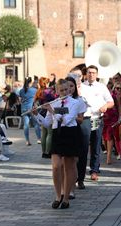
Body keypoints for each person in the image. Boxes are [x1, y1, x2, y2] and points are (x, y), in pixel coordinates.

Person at [34, 79, 85, 209]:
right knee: (56, 167)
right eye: (61, 90)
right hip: (57, 134)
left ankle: (66, 197)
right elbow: (47, 123)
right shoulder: (55, 102)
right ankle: (58, 196)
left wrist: (52, 111)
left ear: (69, 89)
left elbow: (66, 121)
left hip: (69, 133)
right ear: (57, 91)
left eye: (66, 90)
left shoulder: (75, 103)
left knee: (68, 167)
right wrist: (37, 115)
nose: (64, 92)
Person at [77, 65, 114, 184]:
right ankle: (80, 173)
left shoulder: (102, 87)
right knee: (83, 146)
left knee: (96, 144)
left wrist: (105, 106)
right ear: (86, 74)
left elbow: (111, 102)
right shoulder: (81, 86)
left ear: (97, 74)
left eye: (93, 73)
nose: (91, 74)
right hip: (85, 119)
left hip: (97, 118)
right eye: (89, 72)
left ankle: (94, 170)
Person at [34, 77, 56, 158]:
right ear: (45, 83)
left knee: (44, 133)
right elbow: (54, 100)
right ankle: (47, 152)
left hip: (40, 112)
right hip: (47, 112)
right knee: (49, 133)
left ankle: (43, 152)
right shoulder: (48, 91)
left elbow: (35, 103)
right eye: (47, 82)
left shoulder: (38, 91)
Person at [19, 77, 41, 146]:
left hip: (24, 109)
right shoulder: (34, 90)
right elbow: (37, 98)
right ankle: (39, 139)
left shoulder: (21, 90)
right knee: (36, 124)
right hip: (31, 109)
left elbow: (21, 100)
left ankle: (27, 141)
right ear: (31, 82)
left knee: (26, 125)